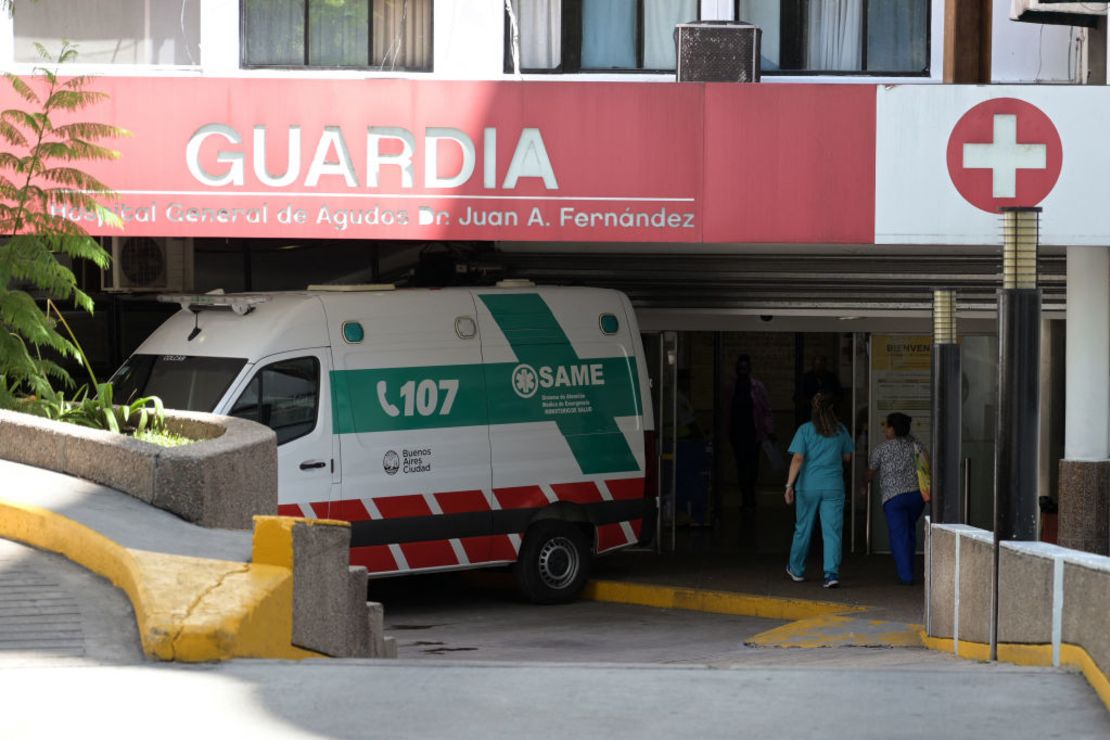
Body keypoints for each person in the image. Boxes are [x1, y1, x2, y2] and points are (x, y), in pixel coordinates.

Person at [784, 392, 853, 588]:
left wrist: (789, 485)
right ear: (832, 409)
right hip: (833, 487)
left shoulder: (805, 430)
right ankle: (831, 574)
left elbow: (797, 459)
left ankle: (796, 570)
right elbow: (848, 457)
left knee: (803, 529)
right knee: (832, 532)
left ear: (813, 410)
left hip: (808, 487)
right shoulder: (840, 430)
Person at [866, 412, 928, 585]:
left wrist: (864, 484)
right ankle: (908, 565)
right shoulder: (916, 445)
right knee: (908, 531)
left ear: (893, 429)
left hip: (894, 499)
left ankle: (906, 576)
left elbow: (870, 472)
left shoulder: (882, 449)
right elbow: (926, 462)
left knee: (899, 535)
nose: (885, 429)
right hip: (916, 497)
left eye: (887, 426)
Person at [726, 354, 774, 511]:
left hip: (753, 432)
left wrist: (769, 430)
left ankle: (750, 495)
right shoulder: (732, 387)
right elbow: (726, 410)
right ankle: (746, 497)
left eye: (745, 368)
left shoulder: (757, 387)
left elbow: (765, 410)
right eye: (740, 368)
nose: (742, 371)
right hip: (737, 432)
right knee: (741, 466)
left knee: (752, 467)